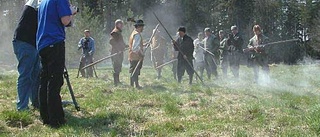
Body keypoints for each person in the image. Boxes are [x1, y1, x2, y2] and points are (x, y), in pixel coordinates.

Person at [37, 0, 77, 128]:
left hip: (43, 43)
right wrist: (72, 12)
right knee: (55, 81)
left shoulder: (43, 2)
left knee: (45, 80)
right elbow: (65, 20)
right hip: (54, 41)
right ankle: (57, 119)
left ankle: (46, 117)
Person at [12, 0, 40, 111]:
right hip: (25, 42)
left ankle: (36, 102)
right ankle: (22, 107)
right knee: (26, 75)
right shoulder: (37, 2)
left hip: (32, 43)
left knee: (35, 74)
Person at [128, 20, 145, 89]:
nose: (143, 28)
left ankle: (135, 85)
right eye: (142, 27)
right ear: (139, 27)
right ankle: (133, 86)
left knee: (134, 71)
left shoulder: (134, 33)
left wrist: (143, 45)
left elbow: (136, 45)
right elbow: (135, 47)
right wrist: (141, 54)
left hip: (132, 55)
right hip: (136, 56)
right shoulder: (137, 34)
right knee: (135, 71)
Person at [109, 19, 126, 86]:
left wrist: (125, 46)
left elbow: (120, 42)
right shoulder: (115, 32)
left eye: (121, 24)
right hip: (116, 53)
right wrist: (118, 49)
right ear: (116, 25)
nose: (121, 25)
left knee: (118, 66)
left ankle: (117, 81)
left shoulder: (118, 32)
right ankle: (115, 82)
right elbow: (111, 41)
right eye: (120, 24)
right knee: (116, 66)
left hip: (119, 52)